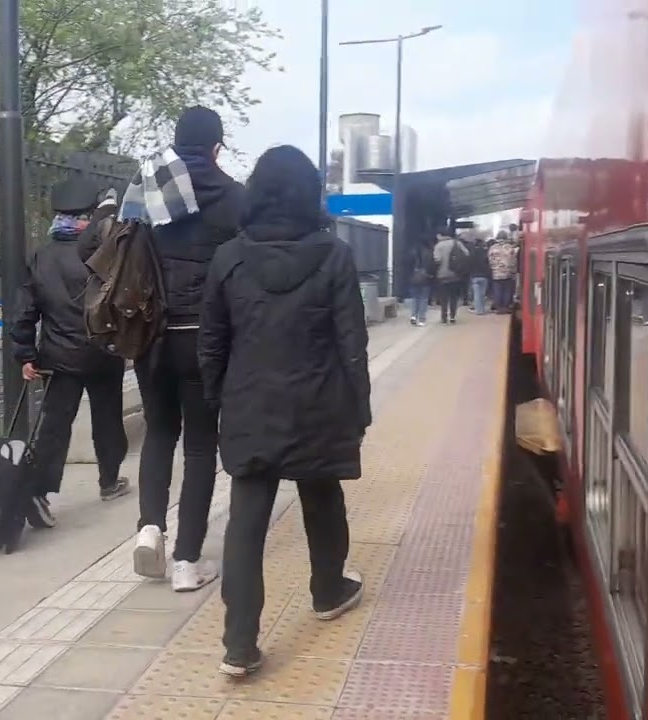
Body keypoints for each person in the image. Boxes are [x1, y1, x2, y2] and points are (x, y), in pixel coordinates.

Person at [200, 145, 370, 678]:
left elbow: (212, 343)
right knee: (322, 496)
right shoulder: (335, 255)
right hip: (318, 401)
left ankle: (239, 643)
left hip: (250, 402)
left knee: (246, 519)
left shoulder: (228, 258)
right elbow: (352, 341)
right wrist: (359, 407)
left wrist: (218, 400)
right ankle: (328, 590)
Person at [124, 106, 246, 592]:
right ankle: (186, 563)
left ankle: (150, 528)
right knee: (200, 447)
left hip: (150, 336)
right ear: (217, 147)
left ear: (177, 143)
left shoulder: (149, 189)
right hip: (206, 340)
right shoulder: (237, 198)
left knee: (159, 434)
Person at [9, 190, 131, 529]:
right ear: (90, 217)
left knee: (54, 425)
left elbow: (25, 311)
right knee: (107, 418)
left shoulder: (41, 258)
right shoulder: (105, 254)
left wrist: (25, 353)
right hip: (104, 352)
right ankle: (109, 480)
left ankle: (40, 492)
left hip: (59, 356)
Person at [432, 230, 468, 324]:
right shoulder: (458, 243)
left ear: (441, 235)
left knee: (444, 298)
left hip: (442, 275)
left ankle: (444, 317)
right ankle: (452, 317)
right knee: (454, 298)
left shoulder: (438, 246)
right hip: (456, 274)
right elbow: (466, 254)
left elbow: (437, 259)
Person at [488, 231, 519, 313]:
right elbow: (513, 261)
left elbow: (490, 260)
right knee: (507, 291)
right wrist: (513, 271)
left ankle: (499, 307)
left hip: (496, 273)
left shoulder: (492, 248)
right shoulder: (510, 248)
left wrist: (493, 268)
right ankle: (505, 307)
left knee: (497, 290)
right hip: (507, 272)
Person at [408, 239, 435, 326]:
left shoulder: (412, 253)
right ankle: (421, 319)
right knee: (423, 299)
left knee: (415, 298)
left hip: (413, 278)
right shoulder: (429, 253)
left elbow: (406, 266)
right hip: (425, 279)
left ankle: (413, 316)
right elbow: (432, 266)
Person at [470, 236, 493, 315]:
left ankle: (478, 310)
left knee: (476, 294)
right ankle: (482, 309)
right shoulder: (485, 252)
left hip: (474, 276)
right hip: (484, 276)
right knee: (482, 294)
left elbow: (469, 264)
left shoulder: (472, 253)